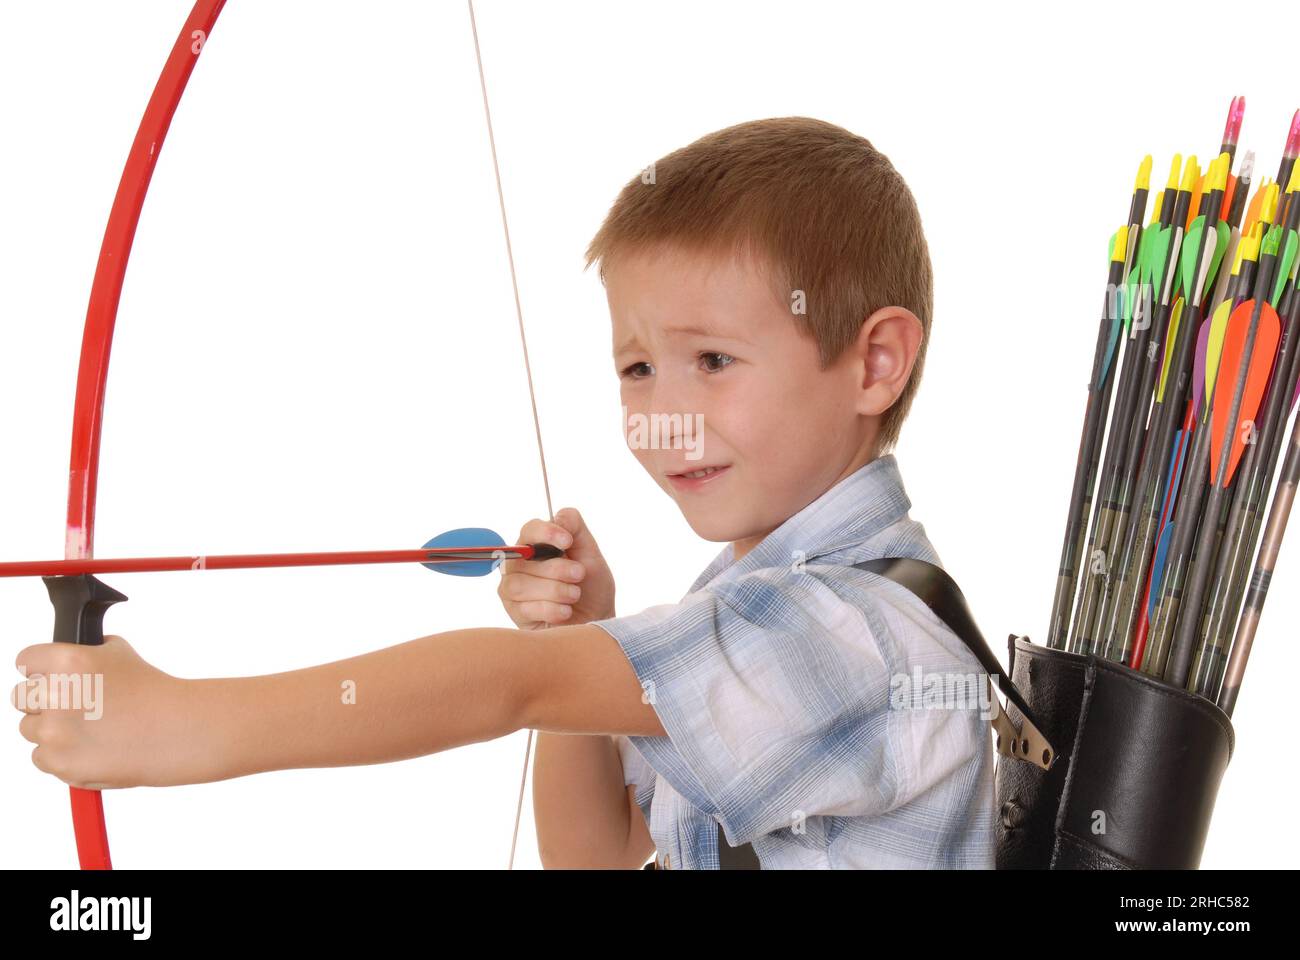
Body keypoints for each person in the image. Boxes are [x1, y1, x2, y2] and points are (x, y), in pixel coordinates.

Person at [15, 117, 996, 869]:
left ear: (873, 363)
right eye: (637, 368)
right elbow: (598, 853)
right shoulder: (751, 604)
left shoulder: (853, 632)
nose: (664, 414)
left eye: (712, 358)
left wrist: (182, 725)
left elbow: (503, 685)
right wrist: (581, 638)